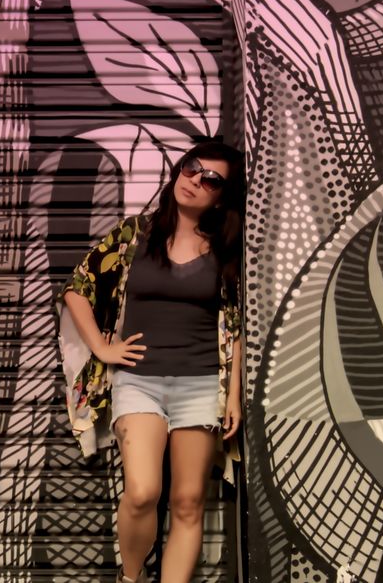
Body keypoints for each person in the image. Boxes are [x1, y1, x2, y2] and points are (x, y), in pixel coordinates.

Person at [56, 140, 246, 583]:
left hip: (202, 384)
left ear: (222, 197)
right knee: (142, 492)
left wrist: (234, 394)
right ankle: (131, 578)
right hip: (138, 381)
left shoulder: (227, 248)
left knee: (188, 502)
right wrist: (103, 348)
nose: (194, 179)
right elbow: (78, 287)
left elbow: (234, 326)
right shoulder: (134, 234)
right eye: (191, 167)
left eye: (210, 179)